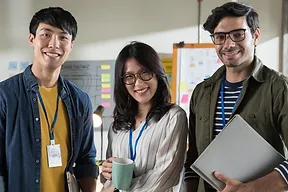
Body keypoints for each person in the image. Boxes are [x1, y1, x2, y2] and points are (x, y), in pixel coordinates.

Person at [184, 2, 288, 192]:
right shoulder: (201, 92)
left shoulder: (279, 88)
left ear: (256, 36)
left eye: (238, 35)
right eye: (220, 37)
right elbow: (193, 158)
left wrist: (249, 188)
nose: (228, 44)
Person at [0, 7, 98, 192]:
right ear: (32, 39)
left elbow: (86, 160)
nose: (54, 44)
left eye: (63, 37)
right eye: (46, 34)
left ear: (71, 45)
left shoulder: (80, 101)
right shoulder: (5, 96)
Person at [100, 41, 188, 192]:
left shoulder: (174, 117)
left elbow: (167, 175)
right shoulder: (118, 124)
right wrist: (106, 171)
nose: (138, 83)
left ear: (157, 74)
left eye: (145, 73)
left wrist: (119, 190)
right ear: (122, 82)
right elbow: (109, 178)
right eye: (129, 76)